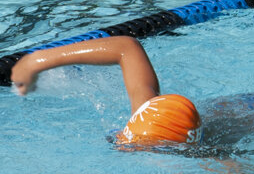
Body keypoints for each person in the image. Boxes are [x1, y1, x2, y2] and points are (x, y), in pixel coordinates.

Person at [10, 36, 201, 147]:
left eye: (131, 142)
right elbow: (126, 48)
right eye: (127, 134)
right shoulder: (153, 119)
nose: (119, 140)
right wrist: (35, 61)